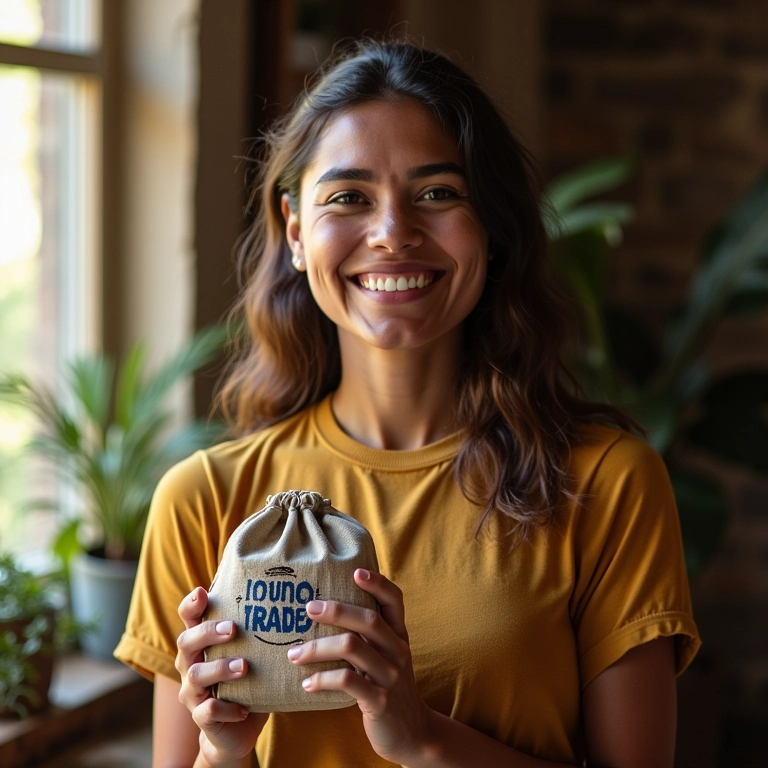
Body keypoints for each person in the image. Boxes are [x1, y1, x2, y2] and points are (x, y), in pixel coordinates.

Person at [115, 38, 700, 768]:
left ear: (492, 226)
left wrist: (420, 737)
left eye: (437, 193)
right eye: (349, 198)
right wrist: (221, 752)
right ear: (296, 231)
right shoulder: (205, 499)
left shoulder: (606, 484)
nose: (393, 233)